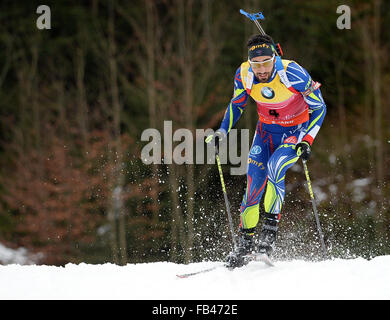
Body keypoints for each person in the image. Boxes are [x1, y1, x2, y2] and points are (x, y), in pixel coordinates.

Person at [206, 34, 326, 268]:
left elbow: (319, 106)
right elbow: (237, 104)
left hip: (294, 132)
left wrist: (308, 139)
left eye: (266, 63)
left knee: (275, 168)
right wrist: (222, 132)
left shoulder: (293, 73)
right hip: (265, 133)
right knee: (253, 184)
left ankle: (268, 237)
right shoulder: (244, 74)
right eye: (256, 64)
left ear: (275, 58)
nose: (261, 69)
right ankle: (244, 244)